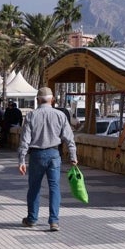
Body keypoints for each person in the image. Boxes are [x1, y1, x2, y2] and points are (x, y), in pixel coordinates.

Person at [18, 86, 77, 231]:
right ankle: (54, 221)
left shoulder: (31, 116)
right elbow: (69, 138)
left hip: (36, 155)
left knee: (34, 188)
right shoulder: (60, 115)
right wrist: (73, 156)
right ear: (52, 99)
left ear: (38, 99)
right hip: (54, 155)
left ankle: (32, 219)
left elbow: (24, 140)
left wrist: (21, 160)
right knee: (54, 188)